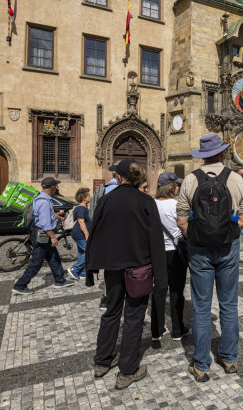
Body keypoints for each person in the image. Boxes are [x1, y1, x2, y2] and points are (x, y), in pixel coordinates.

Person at [85, 159, 167, 389]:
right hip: (139, 269)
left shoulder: (107, 199)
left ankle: (103, 360)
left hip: (113, 268)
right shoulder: (145, 201)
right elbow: (156, 240)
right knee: (133, 317)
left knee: (111, 312)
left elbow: (95, 233)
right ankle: (127, 370)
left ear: (120, 177)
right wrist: (161, 277)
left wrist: (91, 267)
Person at [176, 134, 243, 382]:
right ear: (222, 153)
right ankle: (229, 359)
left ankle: (201, 365)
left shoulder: (190, 180)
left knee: (201, 307)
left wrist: (195, 237)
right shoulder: (237, 179)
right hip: (228, 248)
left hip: (199, 250)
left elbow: (181, 219)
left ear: (203, 155)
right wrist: (228, 234)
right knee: (229, 305)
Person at [12, 177, 75, 295]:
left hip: (40, 233)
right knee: (36, 262)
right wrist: (53, 237)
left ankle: (60, 280)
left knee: (53, 257)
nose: (56, 188)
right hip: (43, 234)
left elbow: (48, 211)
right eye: (56, 186)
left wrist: (57, 211)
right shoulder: (44, 202)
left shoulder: (40, 198)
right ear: (52, 187)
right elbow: (45, 224)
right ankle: (20, 285)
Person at [151, 171, 191, 343]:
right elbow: (185, 227)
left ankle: (157, 330)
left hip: (157, 253)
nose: (178, 188)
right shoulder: (176, 205)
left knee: (158, 291)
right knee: (176, 292)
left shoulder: (150, 204)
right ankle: (177, 329)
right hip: (176, 252)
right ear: (171, 187)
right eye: (177, 185)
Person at [68, 188, 92, 280]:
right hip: (80, 234)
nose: (90, 197)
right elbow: (81, 222)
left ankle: (82, 272)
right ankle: (75, 268)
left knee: (82, 252)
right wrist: (86, 234)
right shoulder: (81, 208)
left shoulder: (82, 207)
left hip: (79, 234)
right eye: (89, 196)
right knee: (89, 252)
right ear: (83, 198)